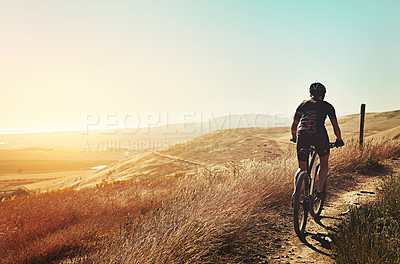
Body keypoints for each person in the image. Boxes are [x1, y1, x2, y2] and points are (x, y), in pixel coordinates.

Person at [290, 82, 344, 199]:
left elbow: (294, 125)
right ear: (323, 95)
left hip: (303, 134)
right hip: (320, 135)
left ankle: (296, 192)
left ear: (310, 94)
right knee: (324, 163)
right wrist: (339, 139)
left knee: (301, 168)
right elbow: (335, 126)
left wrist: (294, 137)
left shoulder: (303, 105)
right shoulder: (328, 106)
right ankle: (319, 190)